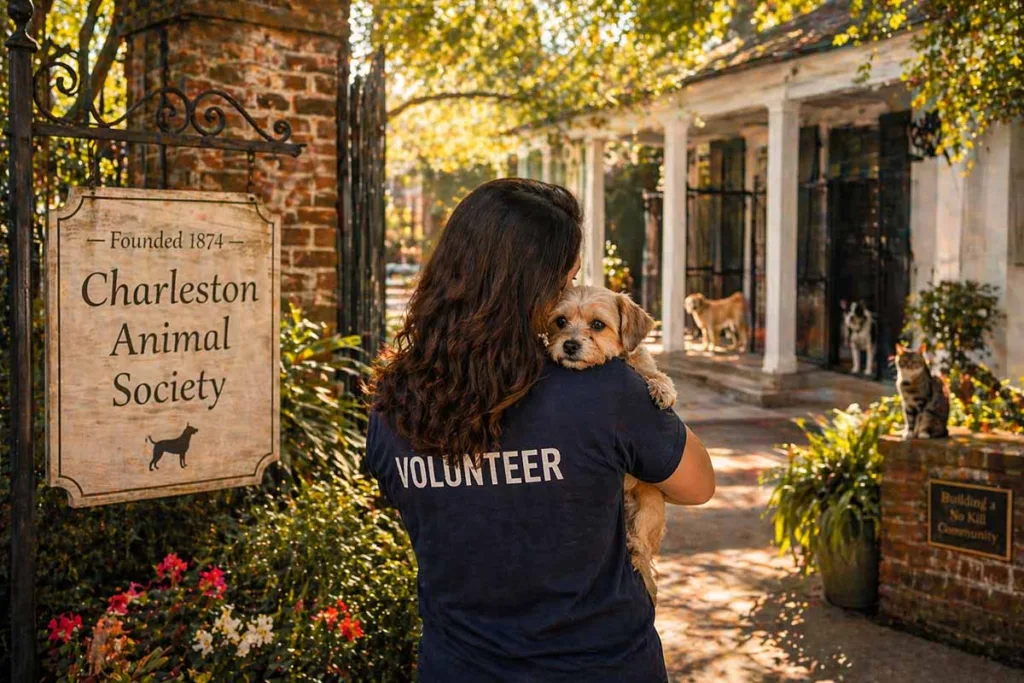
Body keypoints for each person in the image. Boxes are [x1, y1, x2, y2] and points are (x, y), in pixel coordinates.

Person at [366, 178, 715, 682]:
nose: (573, 283)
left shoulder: (393, 401)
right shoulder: (604, 389)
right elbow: (698, 484)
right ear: (538, 284)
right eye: (566, 274)